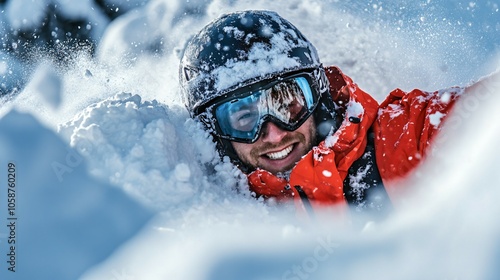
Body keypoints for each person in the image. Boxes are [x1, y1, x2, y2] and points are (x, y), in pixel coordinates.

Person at [178, 10, 494, 219]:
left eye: (288, 104)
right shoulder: (219, 204)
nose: (274, 134)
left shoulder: (400, 139)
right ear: (214, 132)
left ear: (318, 94)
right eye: (244, 119)